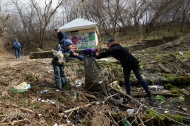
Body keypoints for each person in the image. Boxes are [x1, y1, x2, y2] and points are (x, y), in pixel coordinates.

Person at [94, 38, 154, 104]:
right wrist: (95, 55)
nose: (107, 45)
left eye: (108, 43)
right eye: (107, 44)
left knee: (140, 79)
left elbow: (109, 52)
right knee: (126, 81)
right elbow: (104, 55)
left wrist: (98, 54)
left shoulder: (117, 47)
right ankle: (129, 97)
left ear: (113, 42)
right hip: (126, 65)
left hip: (132, 63)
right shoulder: (112, 49)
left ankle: (150, 96)